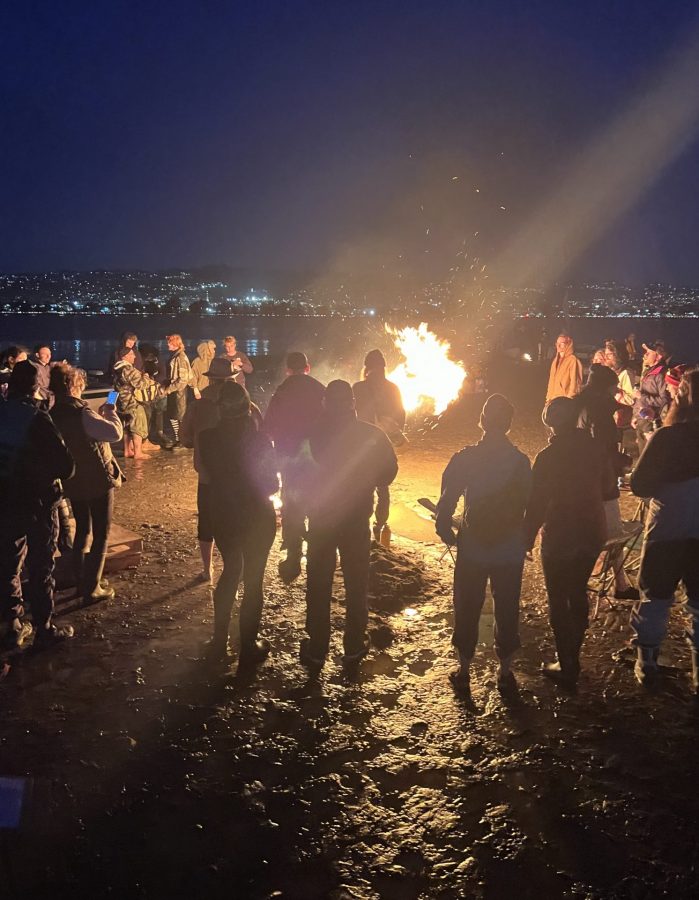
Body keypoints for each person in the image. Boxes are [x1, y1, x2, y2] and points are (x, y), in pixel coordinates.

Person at [435, 394, 531, 698]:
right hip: (508, 548)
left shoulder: (465, 457)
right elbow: (528, 504)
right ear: (509, 424)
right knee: (507, 606)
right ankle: (505, 673)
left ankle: (463, 672)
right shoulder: (520, 461)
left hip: (474, 545)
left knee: (467, 605)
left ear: (483, 421)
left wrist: (446, 531)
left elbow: (447, 501)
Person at [301, 380, 398, 672]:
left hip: (321, 519)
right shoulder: (372, 434)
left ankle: (317, 648)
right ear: (353, 404)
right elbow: (388, 475)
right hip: (356, 519)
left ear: (326, 403)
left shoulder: (312, 434)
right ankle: (354, 646)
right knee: (356, 583)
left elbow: (297, 475)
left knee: (318, 584)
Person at [524, 397, 607, 689]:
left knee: (559, 599)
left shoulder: (548, 457)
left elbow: (536, 503)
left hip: (561, 534)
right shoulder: (596, 448)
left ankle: (567, 662)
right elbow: (610, 488)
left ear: (550, 421)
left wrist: (526, 537)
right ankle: (572, 654)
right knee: (577, 590)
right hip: (592, 531)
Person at [198, 382, 278, 667]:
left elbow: (204, 475)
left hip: (224, 514)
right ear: (247, 409)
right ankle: (248, 647)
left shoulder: (206, 439)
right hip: (257, 516)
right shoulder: (259, 441)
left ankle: (219, 642)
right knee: (253, 581)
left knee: (231, 571)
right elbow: (272, 484)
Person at [630, 369, 699, 690]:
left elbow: (640, 485)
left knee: (655, 596)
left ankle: (647, 665)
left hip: (668, 528)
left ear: (683, 397)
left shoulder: (666, 437)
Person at [0, 361, 75, 653]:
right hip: (38, 503)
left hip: (6, 501)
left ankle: (13, 625)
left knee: (8, 564)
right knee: (41, 565)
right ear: (37, 386)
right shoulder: (37, 418)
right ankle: (44, 628)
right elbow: (66, 466)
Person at [49, 364, 123, 603]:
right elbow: (114, 433)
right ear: (73, 386)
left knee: (82, 529)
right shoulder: (81, 412)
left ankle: (82, 581)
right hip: (97, 480)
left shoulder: (53, 413)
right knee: (101, 532)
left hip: (74, 480)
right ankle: (92, 589)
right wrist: (111, 410)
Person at [576, 364, 638, 600]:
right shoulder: (598, 413)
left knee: (587, 531)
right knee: (611, 533)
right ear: (604, 389)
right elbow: (601, 449)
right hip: (602, 482)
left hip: (581, 479)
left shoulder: (581, 405)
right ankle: (618, 585)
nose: (615, 394)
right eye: (613, 390)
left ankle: (616, 582)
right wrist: (623, 459)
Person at [263, 352, 325, 583]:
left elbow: (269, 427)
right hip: (317, 459)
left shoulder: (282, 391)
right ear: (307, 367)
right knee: (318, 502)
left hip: (288, 459)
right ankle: (318, 550)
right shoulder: (320, 388)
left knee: (292, 505)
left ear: (288, 369)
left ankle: (293, 555)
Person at [180, 358, 239, 584]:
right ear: (230, 380)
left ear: (211, 379)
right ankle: (234, 568)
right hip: (237, 475)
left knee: (206, 522)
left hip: (207, 476)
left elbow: (184, 438)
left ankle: (208, 570)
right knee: (234, 520)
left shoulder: (198, 405)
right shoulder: (244, 403)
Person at [352, 349, 406, 541]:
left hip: (360, 444)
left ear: (366, 368)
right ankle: (380, 524)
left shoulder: (358, 387)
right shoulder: (393, 388)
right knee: (383, 486)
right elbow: (401, 416)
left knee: (360, 484)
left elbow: (350, 414)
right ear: (384, 367)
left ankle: (361, 523)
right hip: (383, 443)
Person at [113, 347, 155, 459]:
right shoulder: (129, 369)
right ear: (125, 356)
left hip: (121, 402)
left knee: (127, 427)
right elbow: (140, 385)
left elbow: (113, 388)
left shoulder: (116, 369)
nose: (134, 356)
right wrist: (146, 377)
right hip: (131, 402)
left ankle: (127, 450)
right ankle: (138, 453)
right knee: (138, 426)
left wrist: (110, 402)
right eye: (131, 354)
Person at [632, 342, 669, 457]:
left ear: (658, 356)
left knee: (648, 458)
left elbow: (664, 401)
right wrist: (635, 415)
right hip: (642, 419)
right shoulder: (650, 372)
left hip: (651, 422)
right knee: (642, 456)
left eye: (648, 353)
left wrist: (641, 396)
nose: (645, 355)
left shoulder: (661, 374)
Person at [163, 334, 192, 446]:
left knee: (179, 416)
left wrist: (169, 389)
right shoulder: (176, 356)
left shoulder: (180, 357)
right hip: (175, 390)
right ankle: (178, 438)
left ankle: (181, 439)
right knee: (173, 416)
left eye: (169, 342)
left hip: (179, 391)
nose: (167, 344)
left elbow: (183, 379)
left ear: (175, 344)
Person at [545, 334, 583, 403]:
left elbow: (574, 382)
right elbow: (551, 381)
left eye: (562, 344)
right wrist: (548, 398)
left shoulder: (573, 360)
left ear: (568, 344)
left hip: (564, 400)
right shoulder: (555, 361)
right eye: (557, 343)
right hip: (553, 400)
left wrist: (569, 399)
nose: (558, 346)